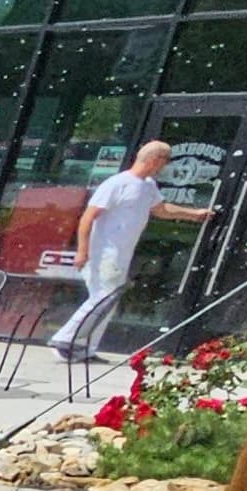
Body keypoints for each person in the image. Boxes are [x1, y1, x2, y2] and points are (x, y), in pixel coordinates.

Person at [49, 137, 211, 363]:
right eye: (164, 161)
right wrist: (82, 251)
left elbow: (161, 209)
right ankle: (65, 339)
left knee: (109, 300)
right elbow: (88, 217)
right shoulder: (117, 184)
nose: (165, 167)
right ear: (155, 160)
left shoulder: (148, 186)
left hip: (122, 253)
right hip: (105, 252)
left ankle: (83, 348)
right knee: (103, 296)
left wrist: (193, 214)